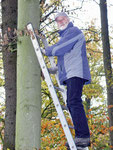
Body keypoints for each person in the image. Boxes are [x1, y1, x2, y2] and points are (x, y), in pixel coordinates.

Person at [42, 12, 91, 149]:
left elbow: (60, 48)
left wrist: (45, 51)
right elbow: (65, 57)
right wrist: (54, 68)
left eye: (62, 19)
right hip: (71, 73)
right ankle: (80, 138)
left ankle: (83, 137)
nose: (60, 22)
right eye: (57, 21)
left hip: (76, 72)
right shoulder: (65, 36)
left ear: (68, 20)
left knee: (74, 102)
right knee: (71, 102)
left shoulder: (73, 31)